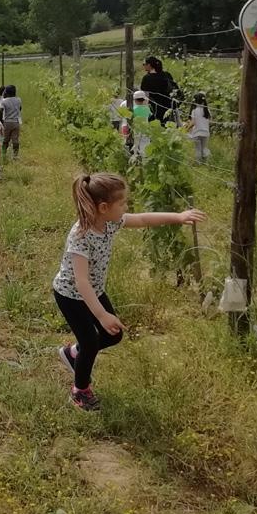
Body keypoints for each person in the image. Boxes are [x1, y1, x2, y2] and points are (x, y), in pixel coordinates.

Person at [53, 173, 205, 411]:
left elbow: (143, 219)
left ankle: (74, 354)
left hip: (95, 291)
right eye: (122, 203)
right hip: (71, 295)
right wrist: (102, 315)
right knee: (91, 341)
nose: (127, 207)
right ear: (104, 207)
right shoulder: (80, 236)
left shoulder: (112, 222)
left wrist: (178, 217)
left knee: (113, 336)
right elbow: (81, 282)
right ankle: (80, 391)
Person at [139, 57, 181, 124]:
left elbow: (145, 95)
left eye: (144, 64)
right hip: (168, 106)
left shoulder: (146, 78)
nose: (143, 66)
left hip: (153, 107)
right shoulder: (166, 75)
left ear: (149, 65)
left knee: (155, 127)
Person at [0, 85, 22, 160]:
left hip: (7, 122)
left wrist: (1, 121)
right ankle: (15, 155)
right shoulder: (18, 100)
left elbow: (0, 111)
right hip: (16, 122)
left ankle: (4, 154)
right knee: (15, 140)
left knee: (5, 139)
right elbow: (20, 108)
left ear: (6, 92)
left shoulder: (4, 101)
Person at [188, 92, 211, 162]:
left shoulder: (194, 111)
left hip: (197, 133)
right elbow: (209, 121)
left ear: (195, 101)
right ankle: (207, 162)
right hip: (205, 133)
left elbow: (193, 122)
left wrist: (187, 128)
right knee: (204, 148)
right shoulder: (207, 111)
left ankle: (199, 163)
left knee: (198, 149)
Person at [129, 90, 151, 159]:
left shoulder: (133, 109)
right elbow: (150, 115)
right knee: (145, 143)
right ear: (144, 99)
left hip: (136, 128)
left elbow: (130, 118)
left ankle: (135, 157)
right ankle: (144, 157)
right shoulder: (147, 108)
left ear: (134, 100)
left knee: (136, 143)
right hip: (145, 128)